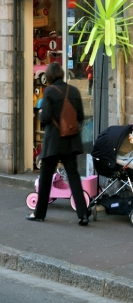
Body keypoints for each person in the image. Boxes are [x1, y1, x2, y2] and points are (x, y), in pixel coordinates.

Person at [26, 62, 91, 226]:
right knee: (74, 177)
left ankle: (39, 213)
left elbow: (45, 118)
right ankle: (83, 215)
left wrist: (41, 113)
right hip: (71, 142)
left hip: (53, 143)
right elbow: (81, 116)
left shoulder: (49, 92)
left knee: (46, 178)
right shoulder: (74, 91)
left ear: (48, 77)